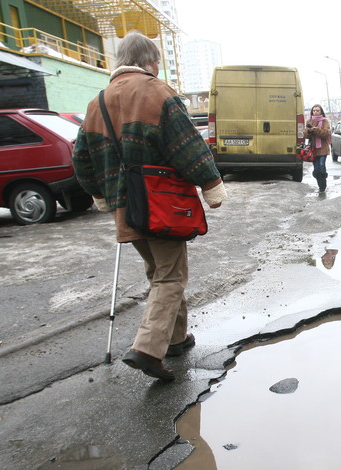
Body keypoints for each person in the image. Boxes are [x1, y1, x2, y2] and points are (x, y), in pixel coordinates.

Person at [72, 31, 228, 382]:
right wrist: (211, 184)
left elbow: (81, 158)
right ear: (149, 61)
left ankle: (175, 339)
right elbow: (186, 143)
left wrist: (99, 194)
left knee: (160, 272)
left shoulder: (97, 102)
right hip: (161, 205)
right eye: (156, 62)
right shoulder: (157, 92)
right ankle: (147, 349)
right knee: (171, 275)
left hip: (124, 208)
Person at [305, 104, 331, 191]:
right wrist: (309, 131)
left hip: (323, 148)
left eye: (317, 110)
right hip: (313, 149)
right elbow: (305, 135)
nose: (315, 112)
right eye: (314, 110)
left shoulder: (325, 121)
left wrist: (316, 130)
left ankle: (323, 183)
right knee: (316, 170)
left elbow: (326, 134)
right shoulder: (309, 121)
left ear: (321, 112)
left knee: (321, 166)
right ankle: (321, 184)